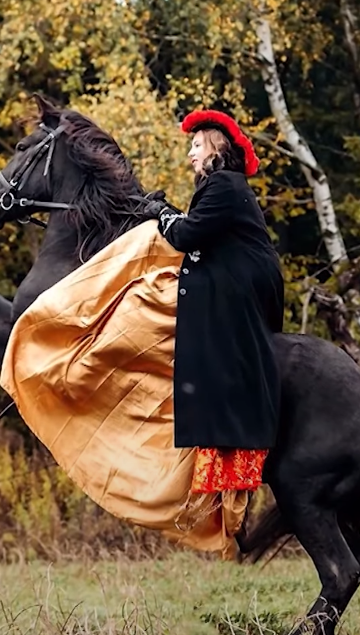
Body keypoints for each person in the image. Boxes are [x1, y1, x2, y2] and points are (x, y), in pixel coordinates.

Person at [142, 110, 285, 503]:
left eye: (196, 145)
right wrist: (169, 211)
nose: (190, 154)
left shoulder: (222, 183)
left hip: (241, 285)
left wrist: (162, 213)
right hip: (240, 280)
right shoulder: (221, 187)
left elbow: (188, 234)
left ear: (216, 146)